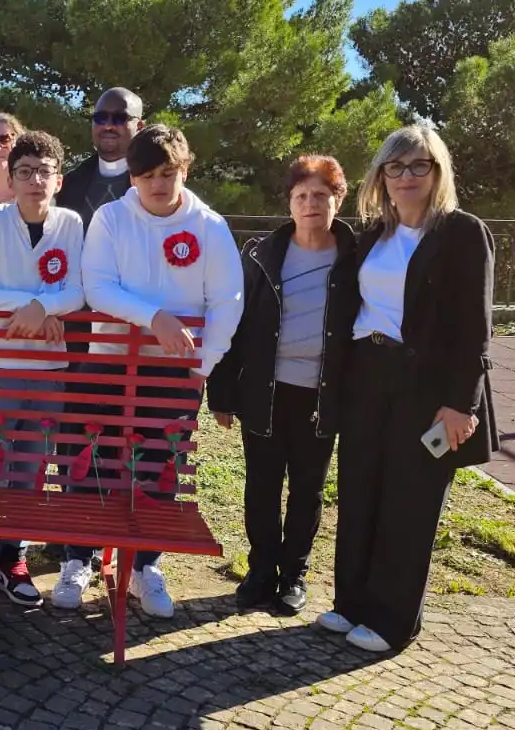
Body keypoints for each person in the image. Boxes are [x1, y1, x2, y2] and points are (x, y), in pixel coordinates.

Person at [319, 127, 497, 654]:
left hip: (426, 386)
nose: (407, 177)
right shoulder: (374, 235)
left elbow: (474, 327)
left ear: (438, 172)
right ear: (381, 178)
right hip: (366, 375)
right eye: (395, 168)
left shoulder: (463, 233)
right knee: (359, 492)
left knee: (409, 501)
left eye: (419, 166)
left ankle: (393, 620)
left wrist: (461, 403)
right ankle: (351, 602)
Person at [80, 124, 244, 619]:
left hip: (175, 375)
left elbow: (228, 300)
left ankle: (145, 566)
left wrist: (203, 365)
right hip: (111, 364)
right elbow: (98, 286)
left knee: (157, 469)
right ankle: (82, 554)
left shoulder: (210, 225)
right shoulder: (109, 218)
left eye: (168, 172)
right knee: (99, 461)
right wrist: (155, 318)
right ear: (131, 178)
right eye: (147, 174)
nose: (158, 183)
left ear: (184, 170)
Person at [205, 156, 358, 614]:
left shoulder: (357, 258)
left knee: (308, 489)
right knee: (262, 486)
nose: (310, 204)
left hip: (322, 395)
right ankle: (260, 571)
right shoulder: (262, 255)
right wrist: (223, 393)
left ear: (338, 200)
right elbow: (233, 323)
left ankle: (294, 574)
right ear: (289, 203)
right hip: (266, 393)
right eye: (301, 196)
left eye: (320, 196)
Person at [0, 131, 86, 607]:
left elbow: (78, 290)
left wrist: (42, 305)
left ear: (58, 179)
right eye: (25, 172)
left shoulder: (71, 223)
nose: (35, 180)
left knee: (31, 465)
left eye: (44, 172)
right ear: (11, 179)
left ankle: (11, 557)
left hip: (47, 369)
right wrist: (35, 307)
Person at [58, 88, 145, 231]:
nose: (108, 126)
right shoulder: (68, 184)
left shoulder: (155, 183)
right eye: (100, 118)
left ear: (139, 127)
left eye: (119, 118)